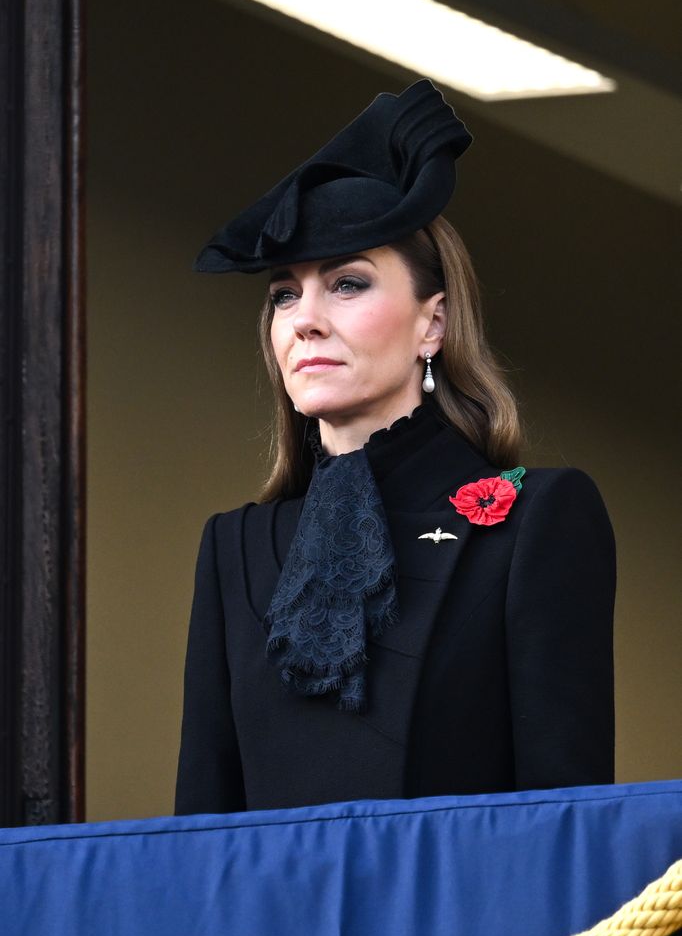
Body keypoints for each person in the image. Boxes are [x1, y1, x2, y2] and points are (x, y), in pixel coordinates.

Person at [175, 79, 615, 816]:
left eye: (347, 284)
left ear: (432, 324)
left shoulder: (535, 516)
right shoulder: (233, 546)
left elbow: (566, 820)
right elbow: (205, 826)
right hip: (281, 932)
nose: (304, 320)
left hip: (475, 930)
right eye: (284, 294)